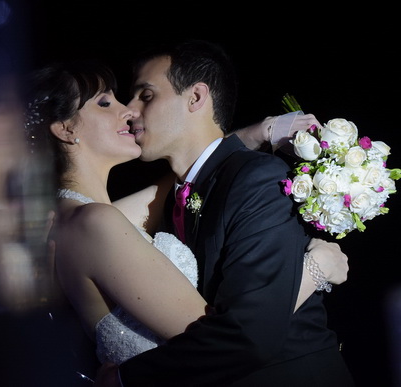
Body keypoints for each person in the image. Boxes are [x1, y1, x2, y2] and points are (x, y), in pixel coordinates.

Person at [25, 59, 348, 385]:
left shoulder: (73, 215)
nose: (129, 111)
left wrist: (253, 134)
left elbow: (187, 179)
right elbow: (224, 340)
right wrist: (315, 270)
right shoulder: (95, 221)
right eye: (106, 102)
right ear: (65, 128)